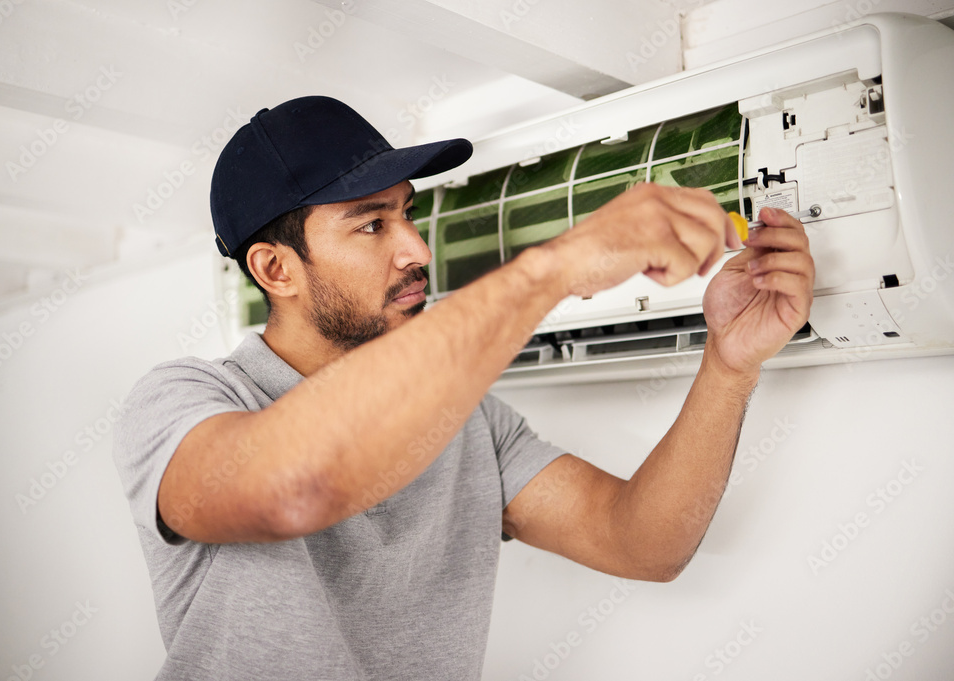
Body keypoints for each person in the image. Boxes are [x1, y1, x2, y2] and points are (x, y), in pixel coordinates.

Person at [113, 95, 814, 680]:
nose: (415, 248)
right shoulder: (182, 401)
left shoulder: (469, 424)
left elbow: (644, 543)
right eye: (372, 224)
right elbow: (294, 486)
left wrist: (729, 364)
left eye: (407, 213)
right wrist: (557, 266)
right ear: (276, 269)